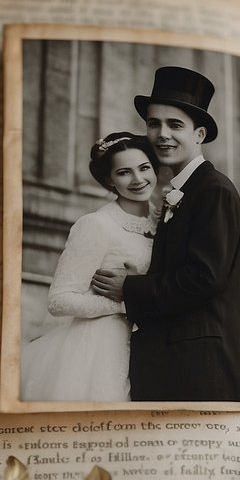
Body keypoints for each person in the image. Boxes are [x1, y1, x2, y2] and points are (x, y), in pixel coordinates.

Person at [91, 66, 240, 402]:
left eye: (175, 125)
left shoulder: (213, 190)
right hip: (175, 361)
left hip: (201, 367)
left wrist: (130, 287)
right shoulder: (181, 190)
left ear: (199, 135)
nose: (162, 134)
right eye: (154, 124)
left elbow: (204, 277)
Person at [20, 133, 157, 402]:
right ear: (109, 180)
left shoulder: (164, 222)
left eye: (144, 168)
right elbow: (59, 301)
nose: (138, 179)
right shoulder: (96, 225)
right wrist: (124, 304)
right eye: (124, 172)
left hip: (152, 346)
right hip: (101, 349)